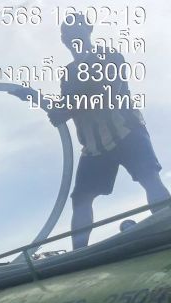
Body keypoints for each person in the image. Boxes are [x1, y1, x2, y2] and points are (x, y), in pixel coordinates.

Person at [16, 13, 170, 249]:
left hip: (125, 131)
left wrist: (64, 111)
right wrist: (35, 97)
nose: (71, 35)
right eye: (66, 33)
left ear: (88, 29)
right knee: (81, 200)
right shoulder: (68, 74)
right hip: (94, 146)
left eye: (75, 28)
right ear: (63, 40)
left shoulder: (109, 56)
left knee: (149, 177)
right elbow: (63, 109)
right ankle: (79, 255)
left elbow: (106, 94)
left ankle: (167, 228)